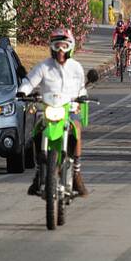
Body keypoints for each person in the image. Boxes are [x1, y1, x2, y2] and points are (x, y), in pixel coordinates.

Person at [19, 28, 88, 196]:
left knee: (76, 130)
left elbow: (82, 89)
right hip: (49, 110)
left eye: (64, 46)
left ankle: (77, 173)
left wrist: (82, 99)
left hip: (69, 110)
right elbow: (29, 81)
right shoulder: (44, 66)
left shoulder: (76, 68)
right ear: (51, 47)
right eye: (57, 46)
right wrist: (22, 91)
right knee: (36, 131)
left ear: (70, 47)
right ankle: (38, 172)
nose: (61, 50)